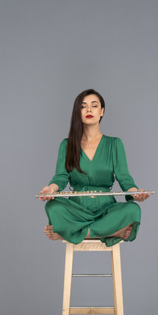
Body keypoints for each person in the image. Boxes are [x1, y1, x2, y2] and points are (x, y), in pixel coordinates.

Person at [39, 89, 150, 246]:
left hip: (106, 209)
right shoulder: (67, 145)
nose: (89, 110)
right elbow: (60, 177)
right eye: (83, 106)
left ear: (102, 111)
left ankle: (70, 232)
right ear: (78, 112)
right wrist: (50, 189)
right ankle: (112, 232)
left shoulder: (114, 144)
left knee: (133, 210)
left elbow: (125, 178)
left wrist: (136, 193)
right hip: (76, 209)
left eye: (94, 105)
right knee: (53, 206)